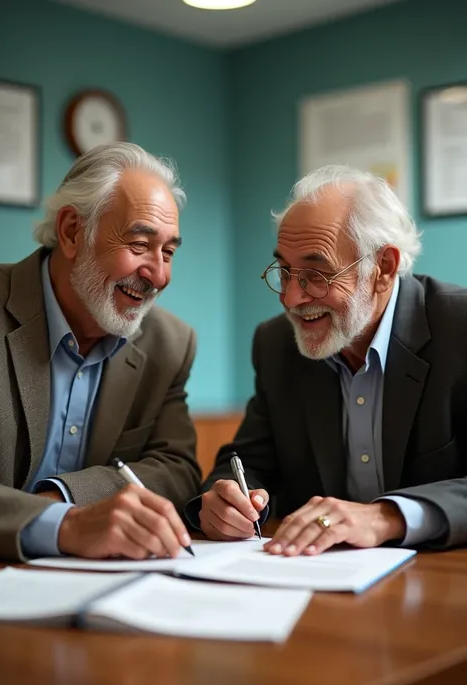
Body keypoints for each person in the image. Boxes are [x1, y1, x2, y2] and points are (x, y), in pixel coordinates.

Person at [193, 165, 467, 555]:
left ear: (383, 268)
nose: (291, 298)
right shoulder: (276, 345)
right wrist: (225, 501)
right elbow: (248, 461)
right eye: (285, 272)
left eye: (316, 274)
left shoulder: (459, 328)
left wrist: (385, 517)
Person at [0, 142, 201, 562]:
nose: (158, 275)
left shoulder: (170, 344)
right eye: (140, 244)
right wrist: (63, 524)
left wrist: (65, 496)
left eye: (169, 252)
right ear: (72, 231)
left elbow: (177, 470)